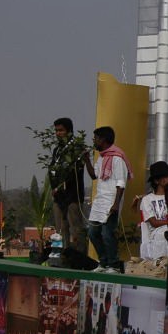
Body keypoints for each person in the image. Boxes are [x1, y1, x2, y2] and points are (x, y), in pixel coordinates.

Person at [83, 126, 132, 273]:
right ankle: (103, 262)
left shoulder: (117, 158)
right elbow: (94, 175)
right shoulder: (102, 157)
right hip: (100, 201)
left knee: (107, 233)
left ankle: (114, 264)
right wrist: (86, 160)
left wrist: (116, 203)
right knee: (93, 232)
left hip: (112, 201)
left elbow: (121, 183)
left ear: (103, 139)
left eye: (96, 138)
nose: (94, 141)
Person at [48, 117, 87, 254]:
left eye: (61, 130)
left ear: (69, 131)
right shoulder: (57, 150)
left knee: (75, 228)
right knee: (60, 228)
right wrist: (55, 188)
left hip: (72, 196)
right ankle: (63, 255)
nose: (58, 133)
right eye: (56, 131)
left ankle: (80, 256)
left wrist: (61, 186)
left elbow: (74, 172)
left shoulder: (76, 148)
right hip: (59, 197)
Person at [139, 161, 168, 261]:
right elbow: (153, 222)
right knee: (164, 234)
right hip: (156, 236)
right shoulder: (147, 200)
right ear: (157, 181)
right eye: (165, 177)